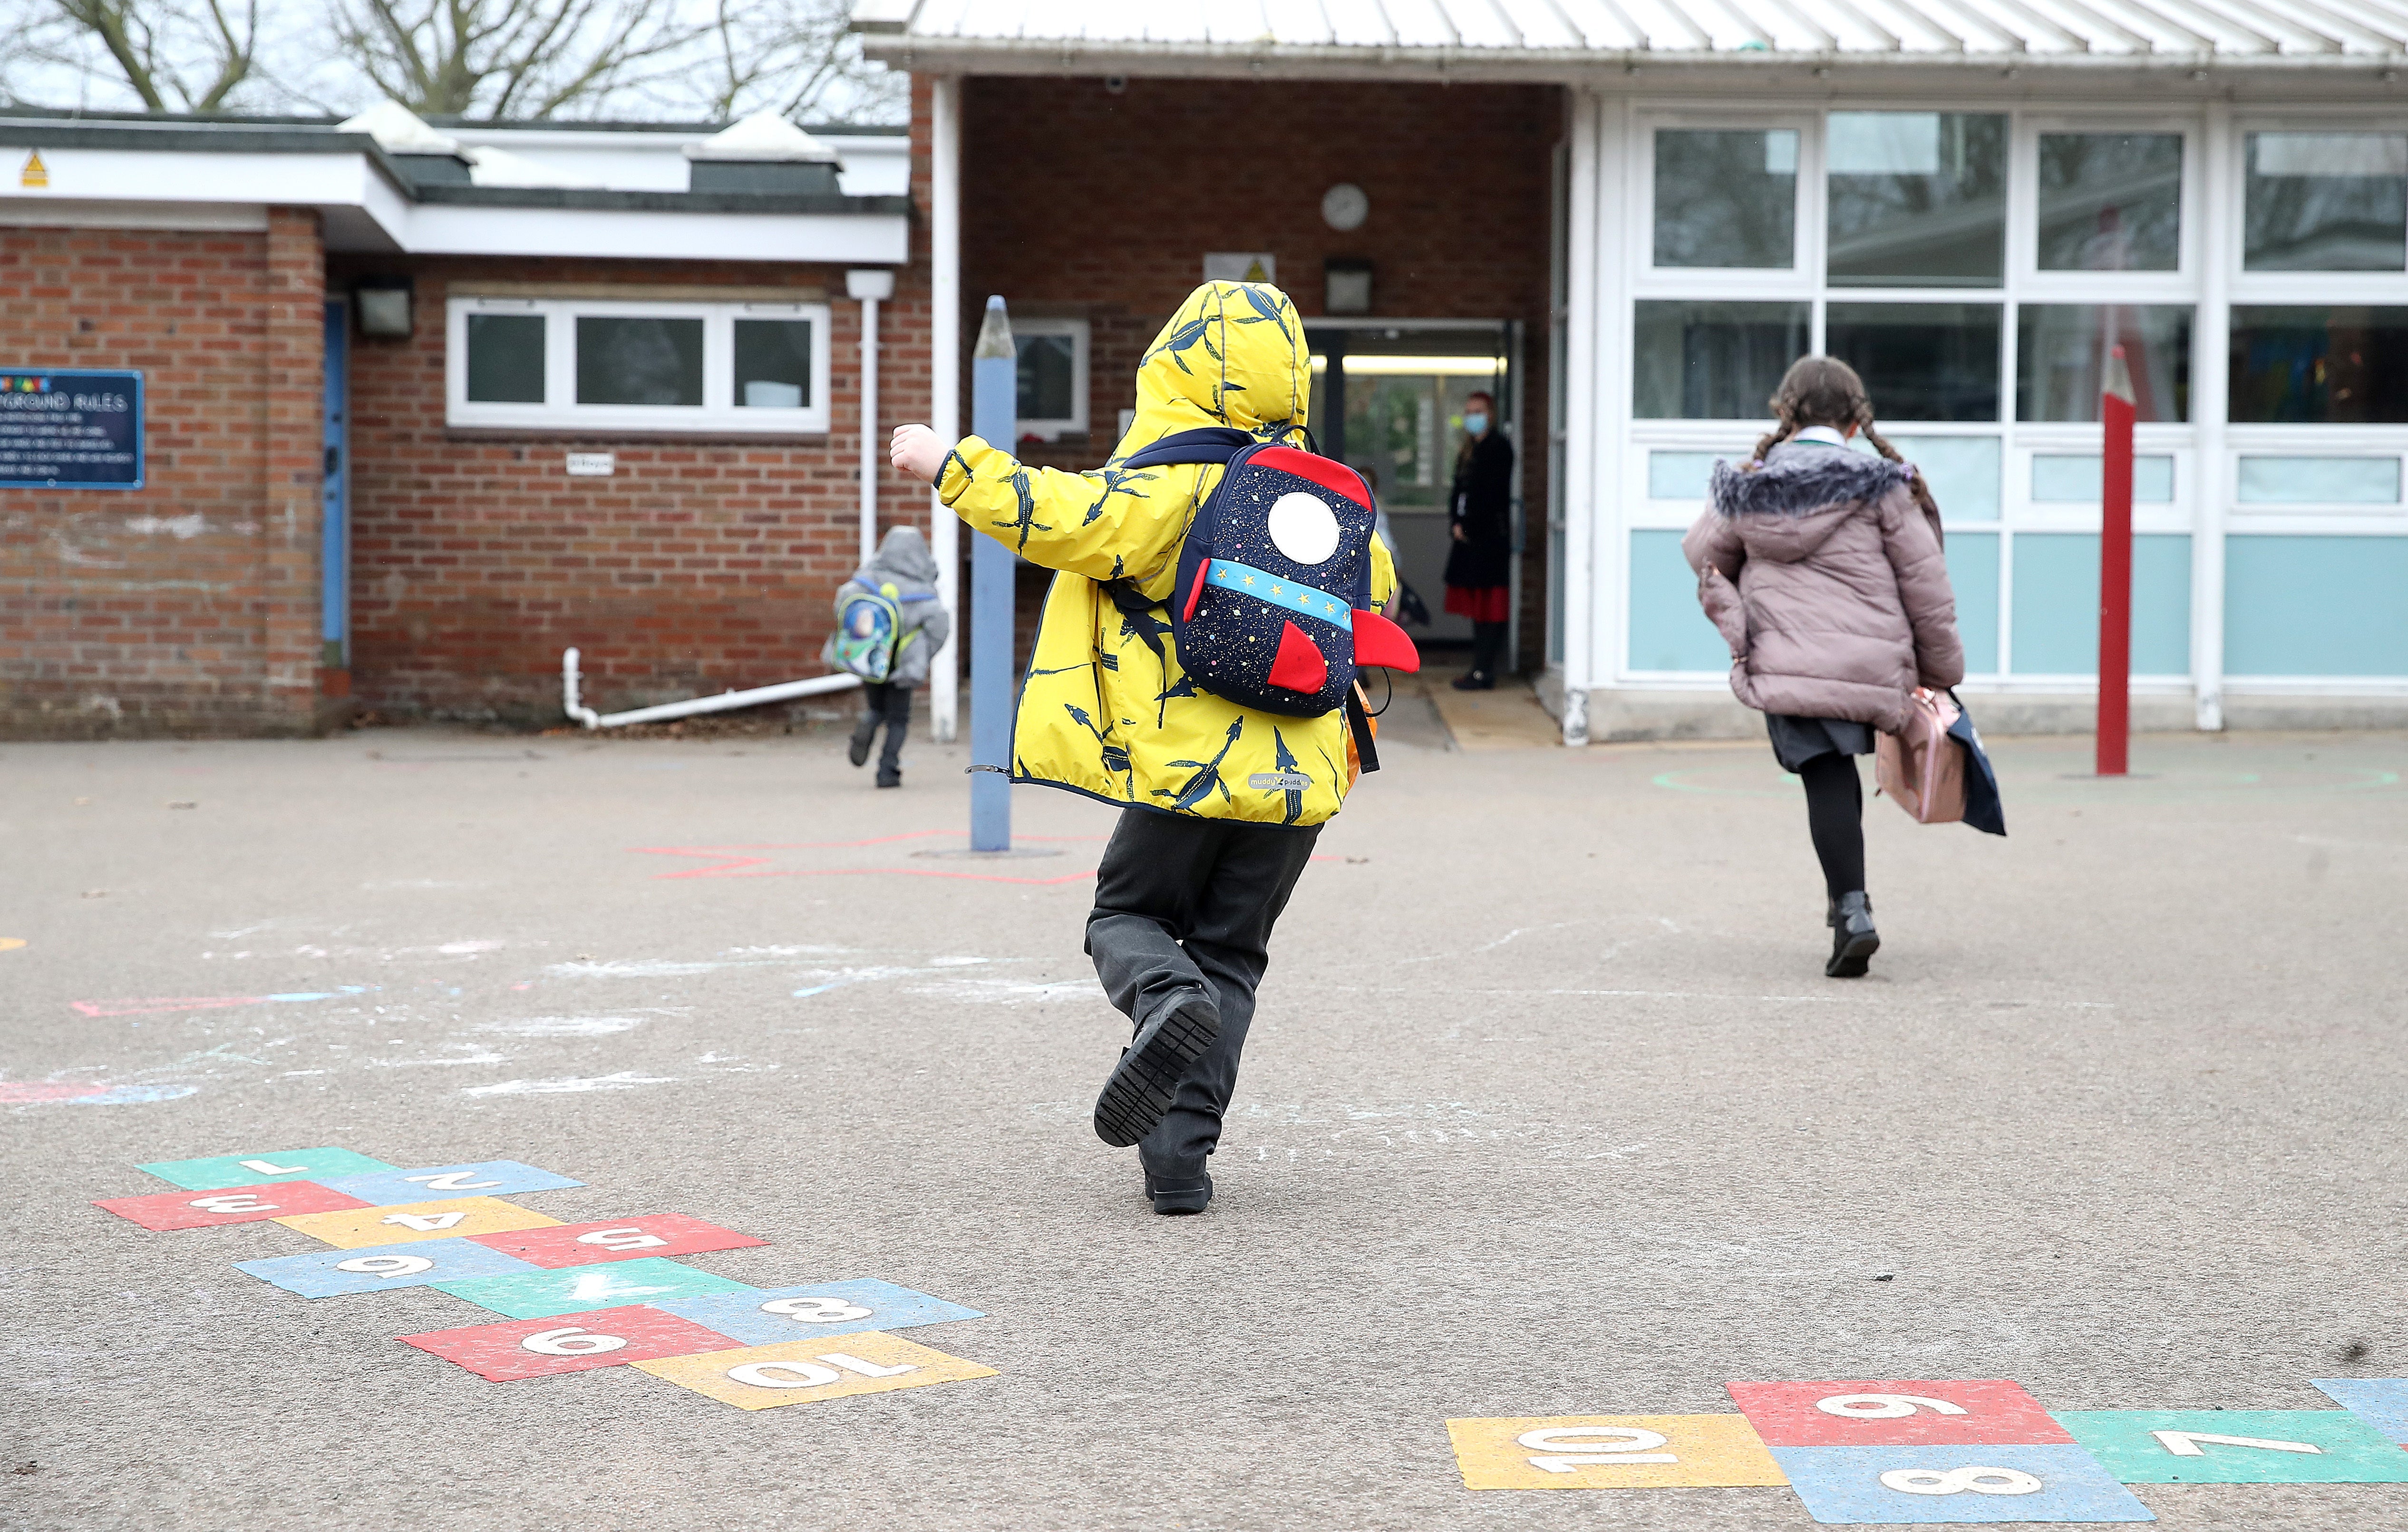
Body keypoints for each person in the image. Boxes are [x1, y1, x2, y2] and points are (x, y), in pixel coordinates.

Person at [888, 281, 1397, 1216]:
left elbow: (1059, 517)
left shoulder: (1168, 482)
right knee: (1233, 958)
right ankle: (1178, 1166)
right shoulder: (1326, 494)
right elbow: (1380, 599)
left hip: (1185, 766)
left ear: (1180, 366)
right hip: (1298, 780)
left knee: (1123, 916)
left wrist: (943, 463)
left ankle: (1161, 997)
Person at [1683, 356, 1963, 978]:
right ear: (1856, 417)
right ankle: (1849, 909)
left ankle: (1852, 911)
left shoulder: (1752, 483)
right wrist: (1941, 672)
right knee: (1836, 773)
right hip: (1867, 657)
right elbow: (1926, 582)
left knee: (1825, 775)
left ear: (1786, 413)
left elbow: (1702, 554)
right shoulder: (1885, 483)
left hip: (1785, 656)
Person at [825, 525, 949, 789]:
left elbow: (842, 606)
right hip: (904, 666)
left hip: (870, 659)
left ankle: (868, 722)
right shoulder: (923, 591)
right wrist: (923, 654)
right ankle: (887, 771)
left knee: (876, 708)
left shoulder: (866, 580)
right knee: (898, 719)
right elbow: (940, 627)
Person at [1442, 389, 1514, 690]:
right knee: (1477, 606)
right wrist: (1457, 523)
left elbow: (1491, 496)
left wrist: (1468, 525)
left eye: (1478, 411)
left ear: (1490, 415)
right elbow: (1459, 493)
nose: (1473, 417)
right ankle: (1479, 668)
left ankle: (1484, 670)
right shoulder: (1467, 451)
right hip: (1469, 539)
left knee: (1490, 606)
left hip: (1488, 540)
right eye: (1469, 412)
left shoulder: (1499, 449)